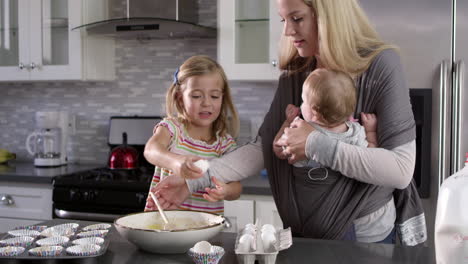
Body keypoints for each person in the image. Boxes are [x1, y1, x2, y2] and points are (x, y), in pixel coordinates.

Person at [151, 0, 426, 245]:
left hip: (363, 239)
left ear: (328, 15)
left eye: (297, 18)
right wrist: (192, 183)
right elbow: (262, 148)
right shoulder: (298, 70)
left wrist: (314, 142)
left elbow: (400, 170)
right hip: (304, 235)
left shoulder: (379, 65)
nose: (287, 31)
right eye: (284, 20)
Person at [143, 55, 242, 214]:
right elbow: (151, 150)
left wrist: (225, 191)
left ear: (222, 99)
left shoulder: (224, 144)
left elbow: (236, 187)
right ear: (180, 98)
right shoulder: (172, 129)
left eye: (214, 96)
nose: (206, 103)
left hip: (206, 231)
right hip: (165, 228)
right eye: (196, 96)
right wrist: (176, 162)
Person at [273, 68, 378, 169]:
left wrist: (288, 121)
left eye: (304, 100)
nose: (301, 103)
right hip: (343, 186)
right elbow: (372, 158)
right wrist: (370, 131)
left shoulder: (299, 130)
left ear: (314, 112)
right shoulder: (355, 133)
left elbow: (278, 149)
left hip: (307, 184)